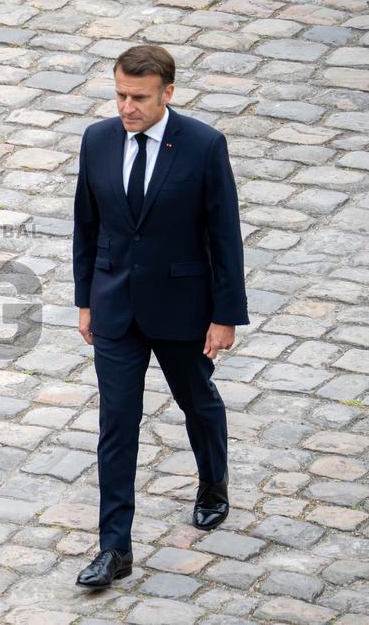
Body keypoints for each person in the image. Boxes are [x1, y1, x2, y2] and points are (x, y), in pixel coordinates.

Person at [72, 45, 249, 587]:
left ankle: (212, 483)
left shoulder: (202, 146)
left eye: (139, 98)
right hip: (116, 308)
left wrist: (225, 316)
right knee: (117, 424)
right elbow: (87, 225)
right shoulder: (97, 140)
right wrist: (85, 300)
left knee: (197, 401)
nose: (127, 107)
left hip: (182, 307)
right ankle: (114, 548)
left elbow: (224, 235)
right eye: (121, 94)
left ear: (167, 93)